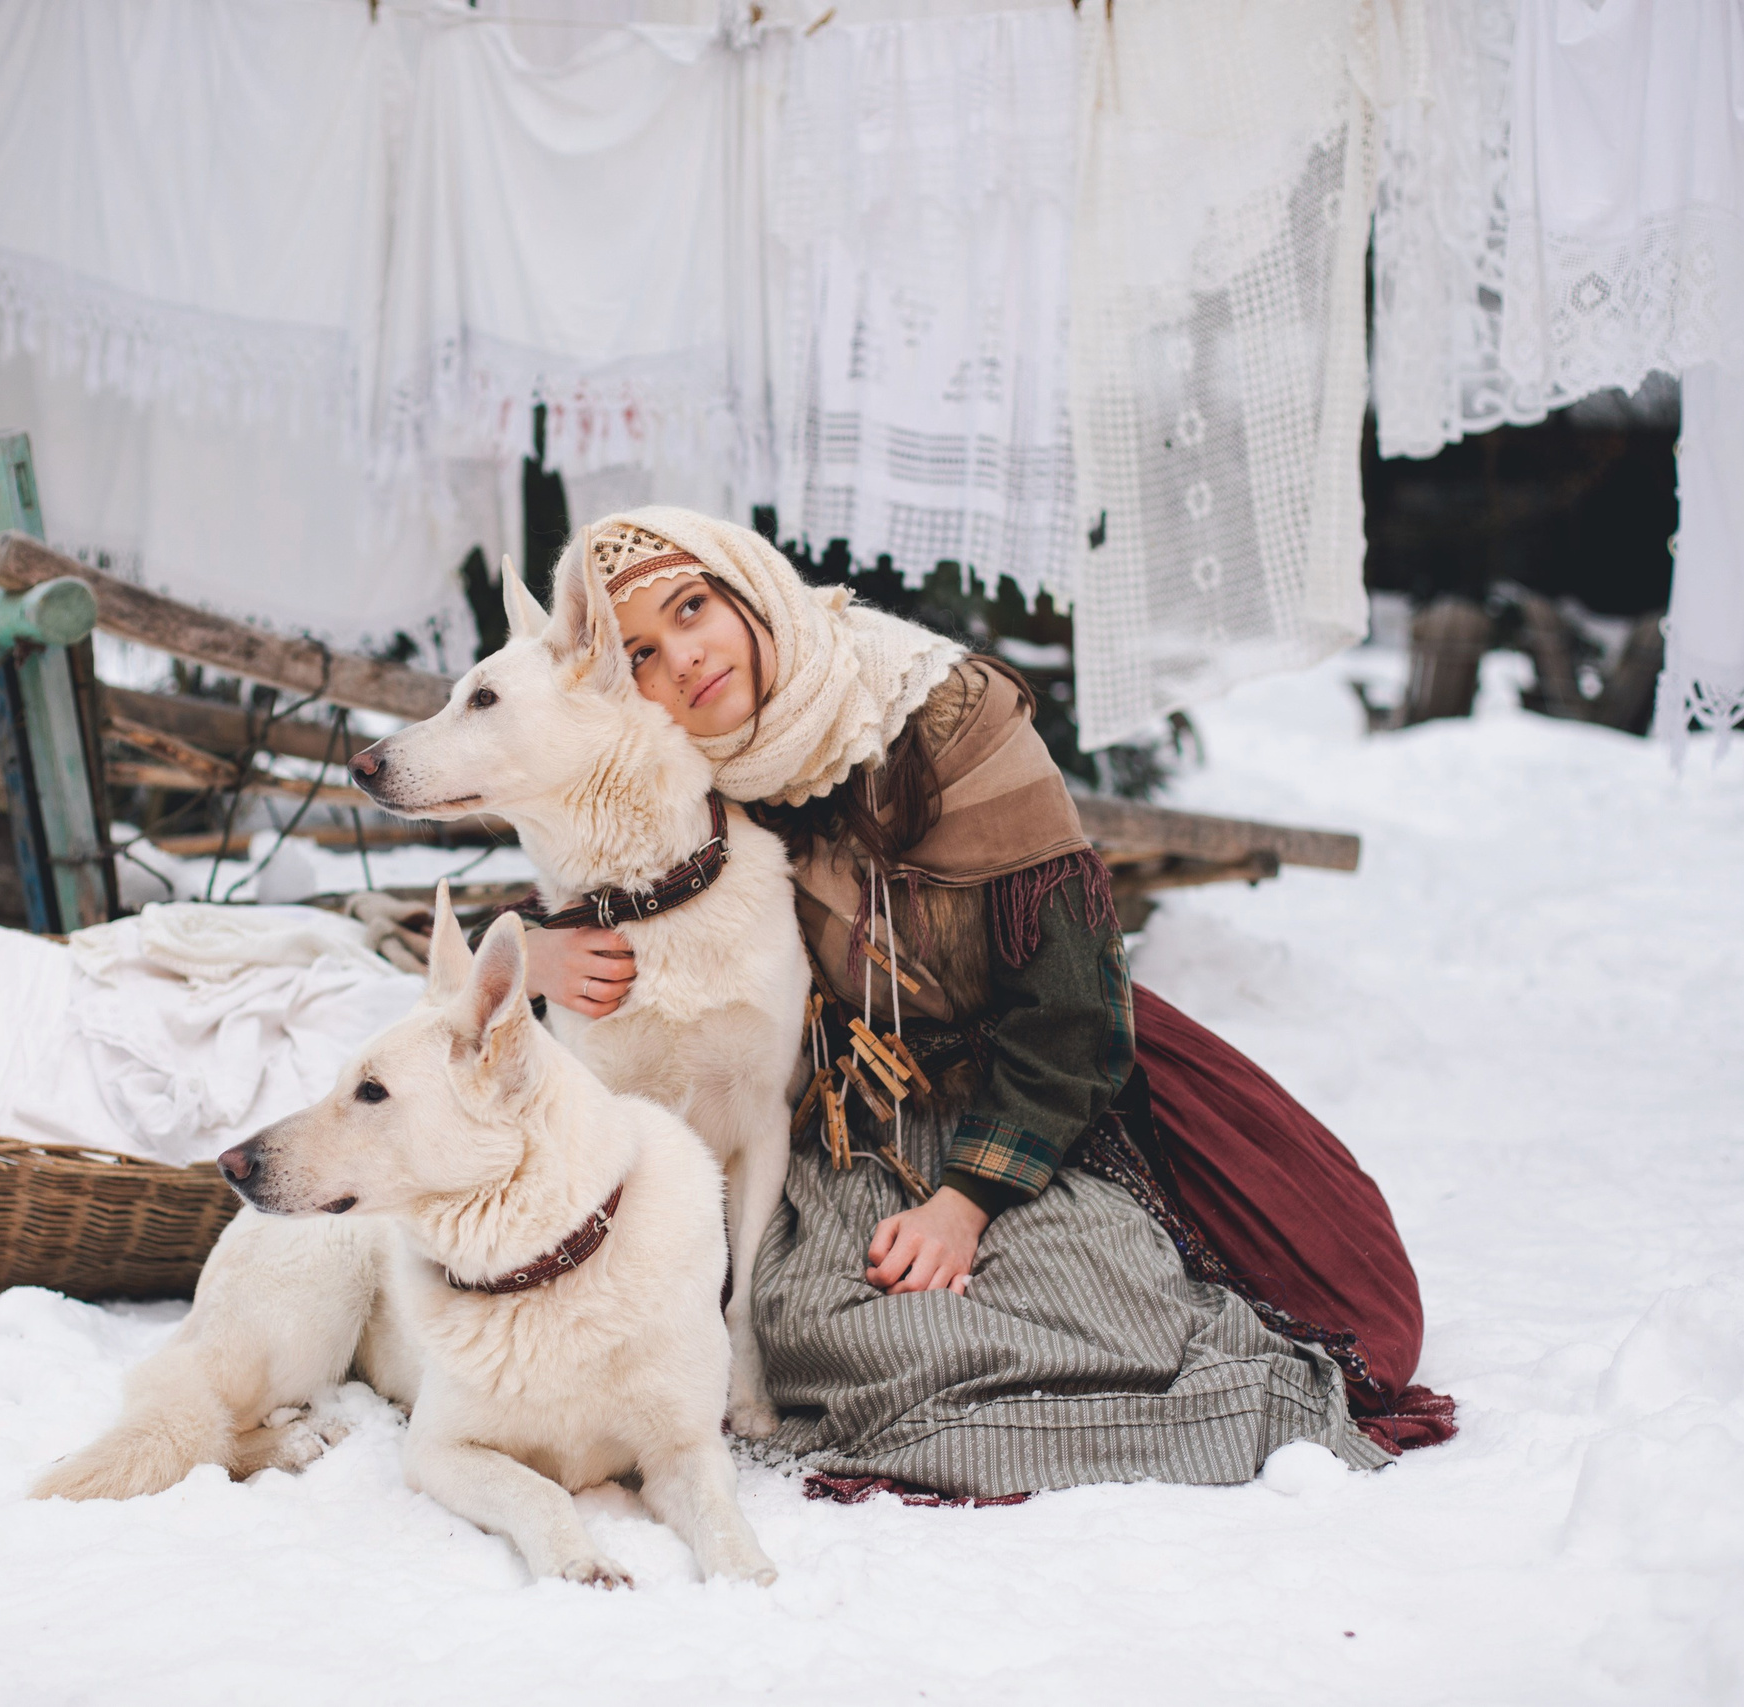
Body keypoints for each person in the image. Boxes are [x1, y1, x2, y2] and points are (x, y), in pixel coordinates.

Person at [520, 508, 1454, 1499]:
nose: (683, 661)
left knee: (1110, 1301)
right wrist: (539, 950)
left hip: (1041, 1082)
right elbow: (570, 846)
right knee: (807, 1324)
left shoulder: (943, 718)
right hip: (849, 1116)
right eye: (639, 654)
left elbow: (1066, 1002)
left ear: (749, 590)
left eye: (693, 608)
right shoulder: (676, 773)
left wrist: (965, 1204)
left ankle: (1124, 1396)